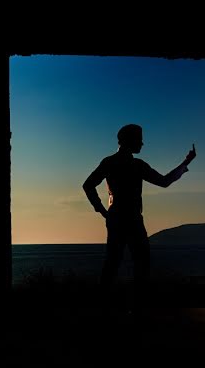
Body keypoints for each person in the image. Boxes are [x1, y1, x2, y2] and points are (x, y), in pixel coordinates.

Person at [82, 124, 196, 313]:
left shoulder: (110, 162)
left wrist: (103, 211)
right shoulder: (137, 165)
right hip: (132, 219)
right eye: (139, 140)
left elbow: (88, 185)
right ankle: (137, 307)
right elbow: (164, 181)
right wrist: (186, 163)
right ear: (130, 141)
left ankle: (104, 307)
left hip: (117, 218)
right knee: (140, 262)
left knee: (114, 262)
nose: (142, 144)